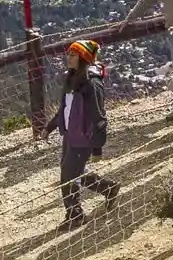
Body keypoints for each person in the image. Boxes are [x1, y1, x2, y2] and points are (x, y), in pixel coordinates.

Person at [42, 40, 120, 232]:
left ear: (83, 58)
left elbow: (99, 117)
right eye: (68, 54)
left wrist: (97, 148)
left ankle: (75, 215)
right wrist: (50, 127)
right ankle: (107, 188)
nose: (68, 58)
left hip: (84, 136)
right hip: (70, 134)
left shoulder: (92, 84)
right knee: (72, 171)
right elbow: (65, 109)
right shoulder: (71, 78)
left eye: (73, 55)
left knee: (68, 175)